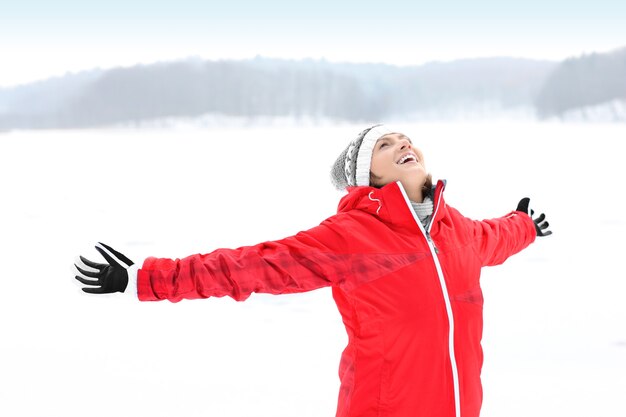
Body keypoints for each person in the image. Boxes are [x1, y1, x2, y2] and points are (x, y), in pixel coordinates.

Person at [74, 124, 551, 417]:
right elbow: (252, 266)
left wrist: (525, 225)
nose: (403, 143)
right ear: (370, 176)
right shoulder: (351, 236)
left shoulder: (456, 229)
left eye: (406, 139)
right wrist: (147, 278)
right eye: (386, 145)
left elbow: (497, 236)